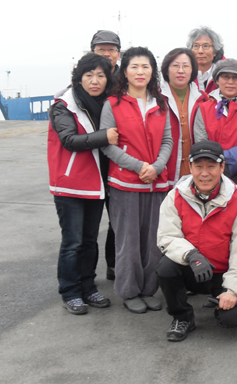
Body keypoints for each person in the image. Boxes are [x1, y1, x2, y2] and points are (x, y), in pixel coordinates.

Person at [156, 140, 237, 342]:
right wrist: (191, 255)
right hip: (192, 268)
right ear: (190, 167)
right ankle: (182, 317)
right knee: (165, 268)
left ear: (222, 167)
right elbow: (167, 236)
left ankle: (229, 297)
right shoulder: (175, 195)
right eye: (198, 166)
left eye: (211, 166)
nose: (204, 173)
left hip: (223, 273)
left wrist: (232, 290)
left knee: (230, 319)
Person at [100, 46, 173, 314]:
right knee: (128, 242)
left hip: (157, 182)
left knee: (153, 242)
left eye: (145, 66)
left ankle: (148, 289)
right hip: (125, 184)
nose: (140, 72)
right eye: (134, 66)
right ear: (125, 71)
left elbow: (168, 140)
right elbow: (108, 145)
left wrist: (157, 167)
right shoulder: (113, 104)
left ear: (152, 71)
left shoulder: (160, 103)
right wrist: (140, 166)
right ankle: (129, 291)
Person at [48, 53, 117, 314]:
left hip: (96, 183)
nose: (95, 80)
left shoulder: (106, 103)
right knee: (72, 242)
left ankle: (88, 287)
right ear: (79, 78)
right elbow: (69, 140)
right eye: (89, 75)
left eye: (100, 75)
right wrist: (104, 137)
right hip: (70, 184)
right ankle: (70, 291)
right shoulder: (64, 104)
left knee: (89, 241)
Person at [193, 58, 237, 199]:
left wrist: (230, 166)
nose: (230, 82)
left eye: (236, 78)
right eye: (225, 77)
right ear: (217, 80)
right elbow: (201, 144)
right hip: (211, 178)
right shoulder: (204, 108)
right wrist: (217, 168)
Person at [90, 29, 122, 280]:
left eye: (111, 49)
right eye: (101, 49)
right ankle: (85, 276)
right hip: (90, 161)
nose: (106, 53)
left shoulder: (125, 80)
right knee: (88, 225)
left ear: (118, 54)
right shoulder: (85, 79)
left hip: (117, 159)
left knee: (117, 219)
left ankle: (114, 265)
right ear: (92, 51)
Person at [160, 48, 206, 186]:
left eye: (186, 66)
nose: (181, 71)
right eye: (175, 66)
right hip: (164, 166)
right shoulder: (155, 98)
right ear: (166, 70)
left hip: (195, 168)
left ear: (192, 70)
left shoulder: (204, 99)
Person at [186, 26, 225, 93]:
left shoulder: (225, 73)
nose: (200, 51)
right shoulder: (183, 74)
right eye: (196, 46)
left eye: (206, 46)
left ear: (215, 51)